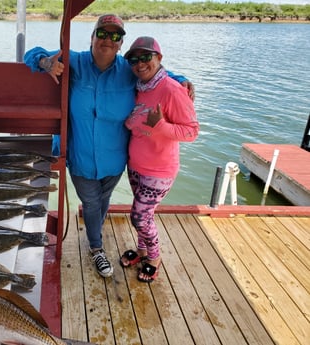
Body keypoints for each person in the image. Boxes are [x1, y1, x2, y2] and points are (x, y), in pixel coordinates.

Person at [24, 14, 194, 278]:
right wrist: (45, 63)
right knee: (91, 204)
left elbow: (159, 74)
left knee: (103, 201)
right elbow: (31, 54)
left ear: (120, 44)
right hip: (80, 158)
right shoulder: (75, 61)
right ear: (92, 37)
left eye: (115, 36)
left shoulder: (128, 71)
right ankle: (96, 247)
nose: (107, 39)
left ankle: (96, 231)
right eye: (102, 33)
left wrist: (182, 79)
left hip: (116, 160)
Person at [119, 36, 199, 282]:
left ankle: (153, 257)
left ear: (159, 58)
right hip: (136, 166)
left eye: (146, 57)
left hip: (160, 170)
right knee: (145, 215)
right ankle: (141, 251)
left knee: (139, 216)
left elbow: (191, 131)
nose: (140, 63)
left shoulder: (172, 90)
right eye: (134, 59)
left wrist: (162, 126)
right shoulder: (138, 87)